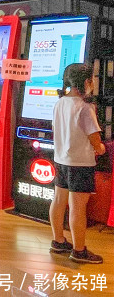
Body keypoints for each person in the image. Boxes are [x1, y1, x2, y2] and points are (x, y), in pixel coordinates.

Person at [49, 63, 106, 264]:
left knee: (58, 200)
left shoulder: (59, 103)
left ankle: (58, 241)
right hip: (80, 163)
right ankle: (79, 251)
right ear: (86, 82)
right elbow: (94, 138)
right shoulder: (85, 107)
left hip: (61, 160)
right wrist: (101, 148)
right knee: (78, 207)